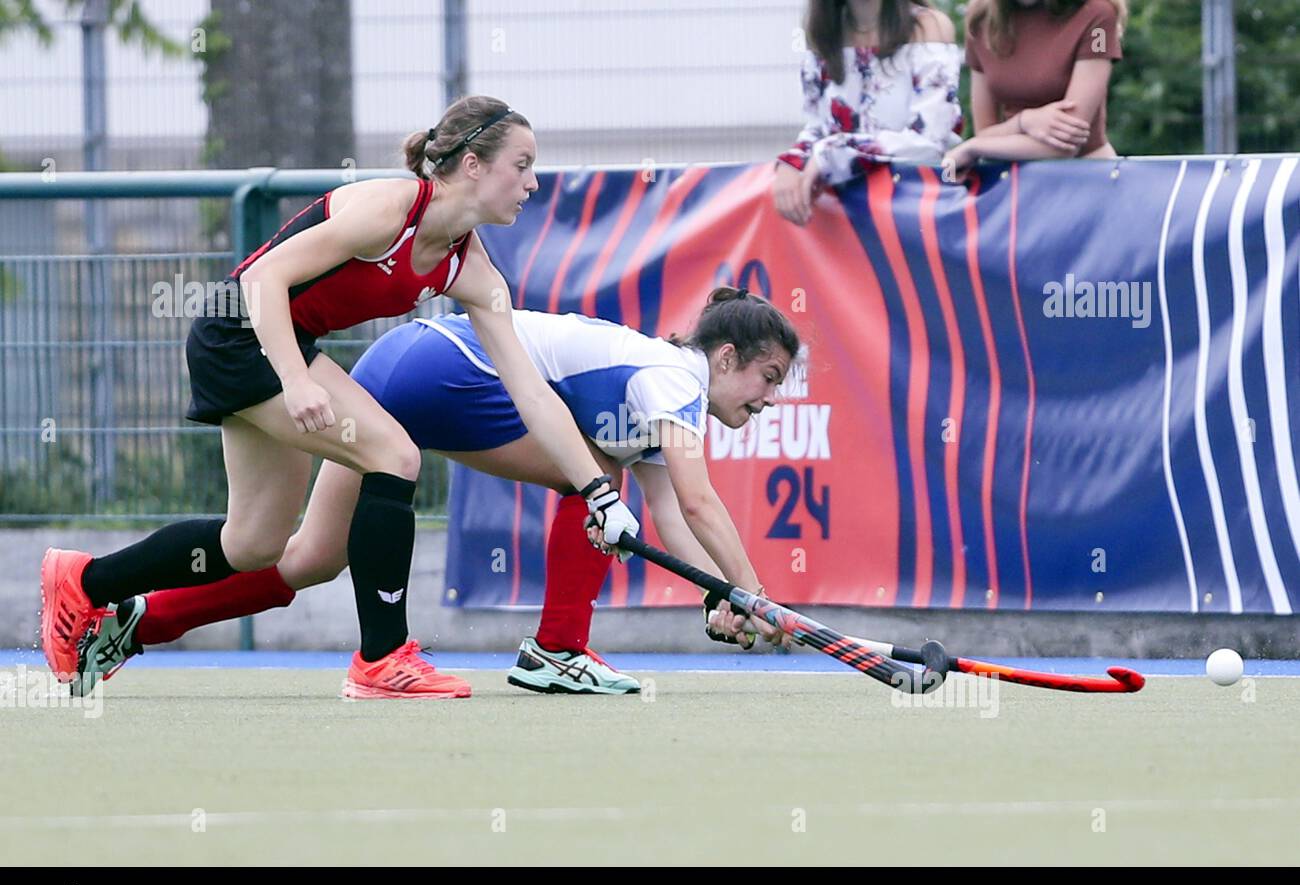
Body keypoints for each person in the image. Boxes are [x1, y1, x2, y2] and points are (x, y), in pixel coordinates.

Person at [41, 95, 640, 701]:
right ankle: (383, 660)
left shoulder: (474, 271)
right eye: (523, 164)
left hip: (279, 343)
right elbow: (261, 278)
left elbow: (530, 392)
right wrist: (296, 380)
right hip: (240, 333)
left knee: (251, 545)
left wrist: (598, 492)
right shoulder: (389, 209)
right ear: (474, 164)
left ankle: (85, 581)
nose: (533, 183)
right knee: (394, 455)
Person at [76, 288, 799, 697]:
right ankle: (555, 651)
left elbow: (669, 514)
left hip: (408, 360)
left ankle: (137, 623)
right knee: (592, 480)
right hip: (446, 366)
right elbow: (700, 503)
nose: (767, 400)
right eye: (767, 378)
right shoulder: (676, 381)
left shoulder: (655, 398)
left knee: (309, 558)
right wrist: (753, 591)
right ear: (725, 356)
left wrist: (720, 593)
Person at [774, 0, 962, 225]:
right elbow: (817, 125)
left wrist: (832, 154)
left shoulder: (927, 27)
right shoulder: (825, 33)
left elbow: (930, 141)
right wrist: (791, 164)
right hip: (845, 212)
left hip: (914, 207)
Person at [943, 0, 1125, 176]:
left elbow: (1065, 143)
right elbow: (985, 132)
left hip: (1086, 177)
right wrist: (1024, 122)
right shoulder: (981, 17)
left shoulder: (1099, 17)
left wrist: (974, 148)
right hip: (1012, 184)